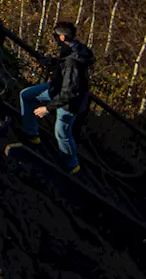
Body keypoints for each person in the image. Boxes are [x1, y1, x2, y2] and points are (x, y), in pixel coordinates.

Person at [19, 20, 95, 174]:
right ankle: (32, 135)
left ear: (61, 37)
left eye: (55, 36)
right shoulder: (75, 49)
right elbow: (65, 66)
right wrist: (51, 62)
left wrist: (47, 108)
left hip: (68, 102)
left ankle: (72, 166)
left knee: (62, 133)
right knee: (26, 95)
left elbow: (70, 91)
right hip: (57, 91)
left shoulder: (72, 61)